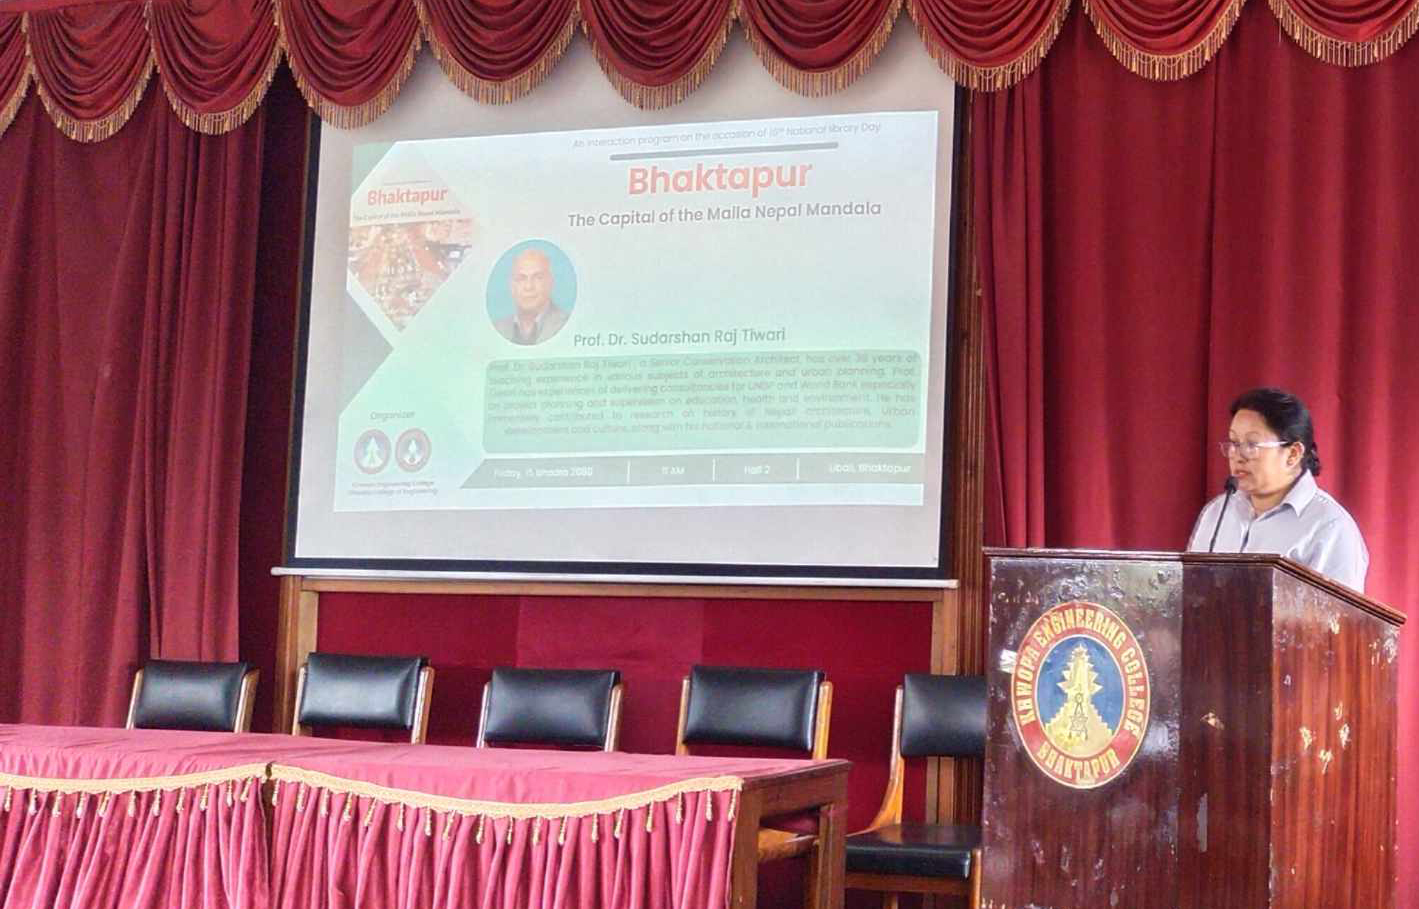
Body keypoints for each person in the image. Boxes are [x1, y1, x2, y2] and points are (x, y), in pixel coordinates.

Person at [1187, 387, 1368, 591]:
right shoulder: (1217, 513)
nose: (1237, 456)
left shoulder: (1330, 527)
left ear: (1293, 454)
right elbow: (1190, 592)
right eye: (1234, 442)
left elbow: (1339, 611)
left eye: (1252, 445)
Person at [493, 248, 569, 345]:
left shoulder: (567, 325)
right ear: (511, 286)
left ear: (550, 283)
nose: (529, 286)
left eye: (538, 278)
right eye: (521, 278)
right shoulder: (498, 329)